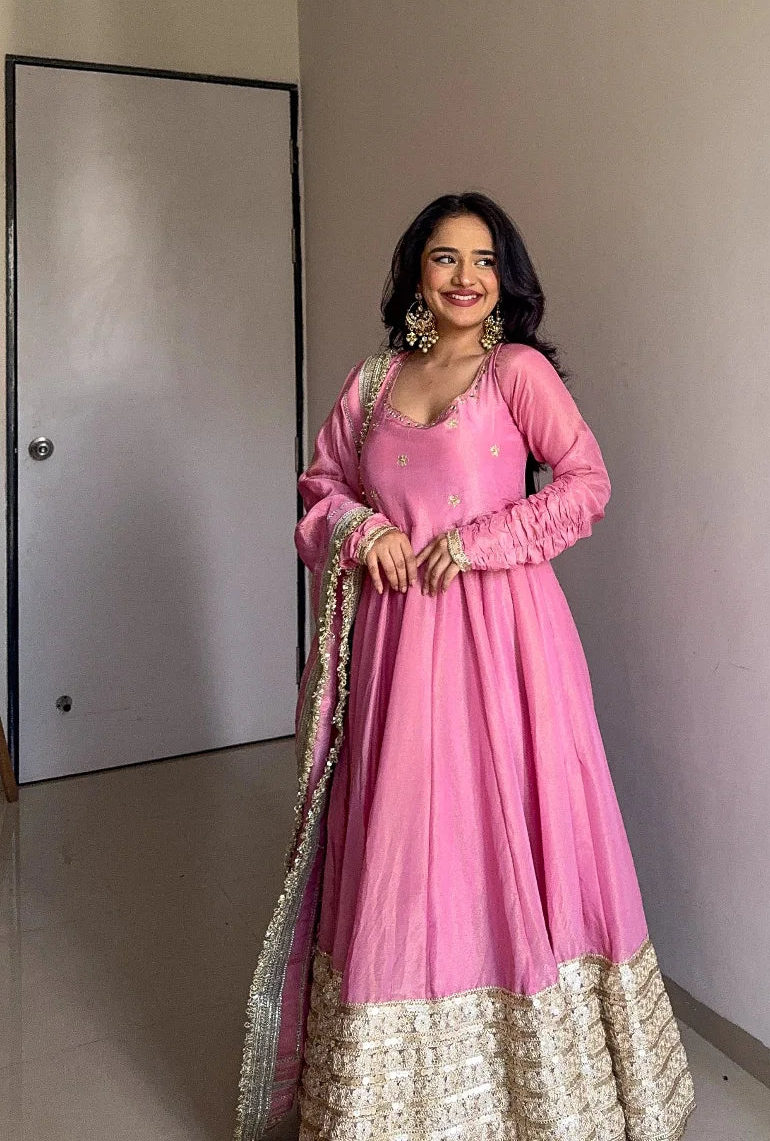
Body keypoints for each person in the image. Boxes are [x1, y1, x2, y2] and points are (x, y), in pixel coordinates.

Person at [236, 193, 694, 1141]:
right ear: (416, 273)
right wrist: (363, 530)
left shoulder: (517, 372)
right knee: (411, 844)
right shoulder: (372, 385)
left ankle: (543, 1091)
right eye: (444, 259)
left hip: (507, 644)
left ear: (505, 278)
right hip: (400, 650)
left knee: (509, 829)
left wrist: (485, 539)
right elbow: (321, 489)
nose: (464, 278)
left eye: (483, 261)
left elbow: (586, 485)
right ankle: (398, 1101)